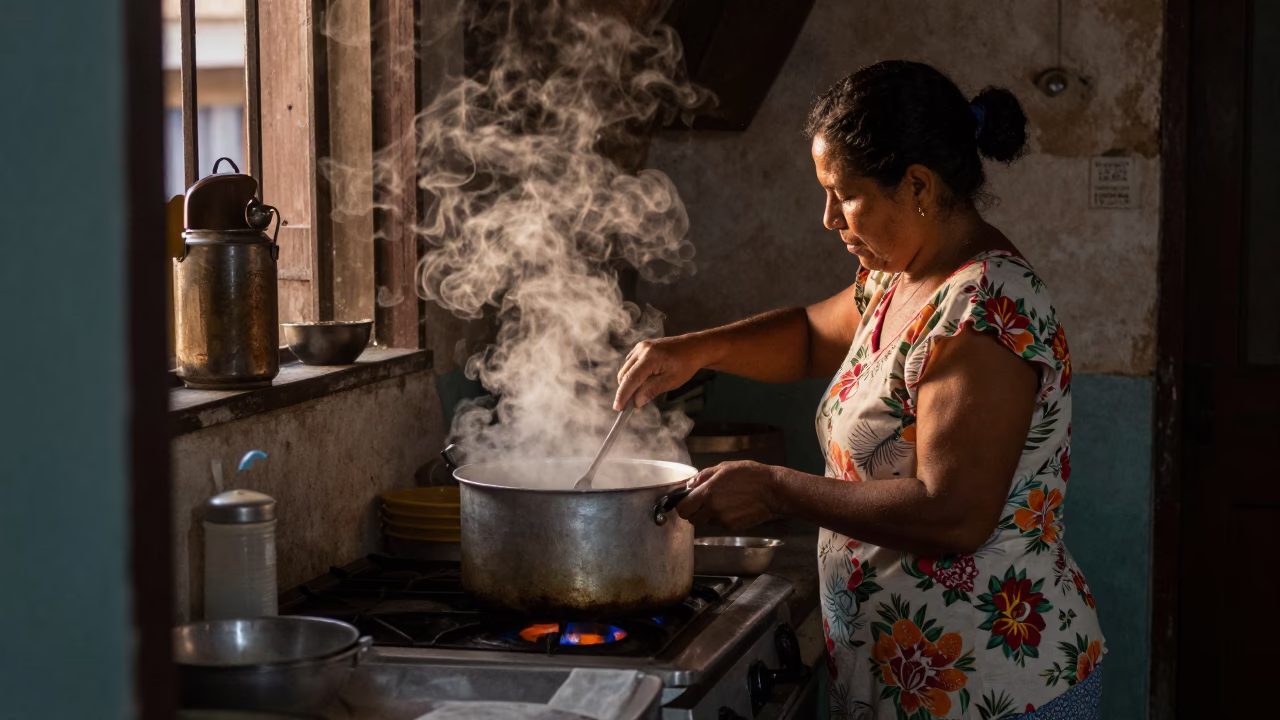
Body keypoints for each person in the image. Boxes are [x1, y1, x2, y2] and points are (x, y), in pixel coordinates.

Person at [614, 61, 1104, 719]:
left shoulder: (983, 305)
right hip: (909, 684)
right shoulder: (899, 279)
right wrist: (696, 351)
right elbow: (810, 336)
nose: (827, 218)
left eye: (842, 194)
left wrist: (775, 487)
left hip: (993, 692)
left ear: (918, 187)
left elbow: (952, 513)